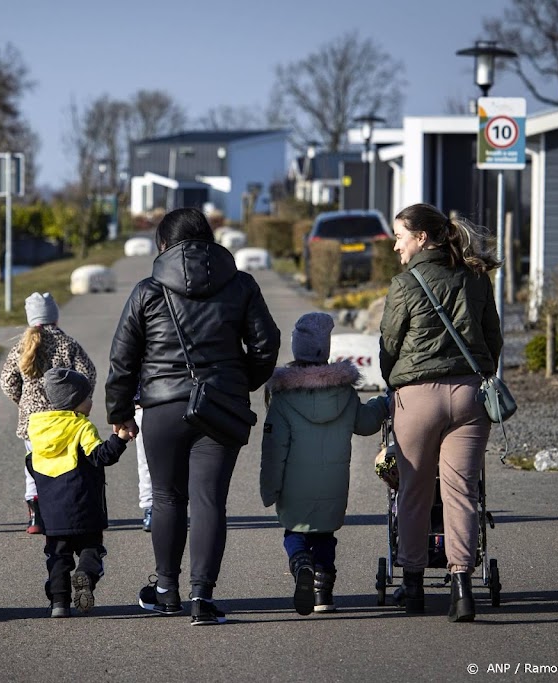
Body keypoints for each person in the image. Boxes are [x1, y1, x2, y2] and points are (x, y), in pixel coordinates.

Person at [106, 207, 280, 625]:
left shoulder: (147, 290)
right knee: (208, 500)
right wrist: (240, 384)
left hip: (162, 408)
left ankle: (166, 590)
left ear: (163, 245)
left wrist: (119, 411)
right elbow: (266, 345)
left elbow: (122, 358)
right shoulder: (241, 285)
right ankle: (202, 598)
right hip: (219, 409)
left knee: (167, 497)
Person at [379, 203, 502, 622]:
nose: (396, 245)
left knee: (412, 492)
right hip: (470, 395)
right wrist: (479, 373)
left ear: (422, 238)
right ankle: (462, 587)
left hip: (417, 398)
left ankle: (412, 586)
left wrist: (393, 381)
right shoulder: (477, 278)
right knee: (462, 492)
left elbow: (389, 345)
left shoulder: (405, 283)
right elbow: (493, 339)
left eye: (400, 236)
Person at [260, 312, 388, 615]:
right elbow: (366, 423)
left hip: (294, 485)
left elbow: (274, 449)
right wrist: (383, 403)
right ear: (325, 349)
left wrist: (270, 489)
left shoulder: (283, 396)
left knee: (295, 532)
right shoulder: (343, 391)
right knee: (325, 535)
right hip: (333, 483)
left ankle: (301, 562)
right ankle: (323, 591)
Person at [26, 368, 129, 617]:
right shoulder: (82, 427)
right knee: (91, 548)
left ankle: (59, 603)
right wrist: (121, 439)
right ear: (74, 401)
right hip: (83, 506)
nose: (91, 402)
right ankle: (85, 574)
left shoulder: (39, 429)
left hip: (52, 512)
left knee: (57, 556)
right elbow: (101, 456)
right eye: (87, 397)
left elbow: (31, 462)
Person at [0, 292, 97, 534]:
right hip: (65, 419)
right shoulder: (68, 344)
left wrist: (23, 401)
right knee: (65, 466)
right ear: (55, 316)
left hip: (32, 423)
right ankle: (63, 512)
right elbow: (89, 374)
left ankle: (35, 517)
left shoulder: (21, 346)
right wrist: (78, 400)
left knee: (33, 467)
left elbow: (6, 382)